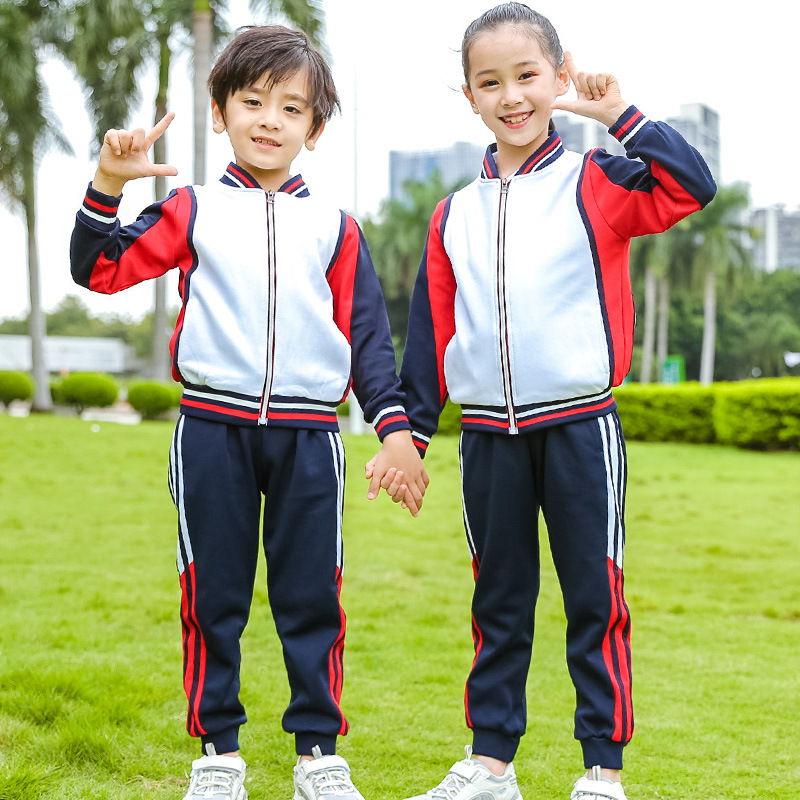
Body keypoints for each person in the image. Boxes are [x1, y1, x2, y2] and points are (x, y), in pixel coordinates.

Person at [69, 24, 428, 800]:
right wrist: (107, 183)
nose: (270, 119)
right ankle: (219, 755)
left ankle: (317, 755)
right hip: (212, 430)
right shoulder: (192, 210)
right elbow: (97, 270)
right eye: (253, 100)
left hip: (308, 437)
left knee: (312, 598)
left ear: (315, 128)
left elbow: (368, 343)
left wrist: (396, 434)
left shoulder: (336, 227)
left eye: (291, 108)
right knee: (213, 595)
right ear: (221, 109)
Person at [397, 4, 716, 800]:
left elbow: (692, 186)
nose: (511, 95)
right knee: (498, 601)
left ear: (558, 76)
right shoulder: (451, 216)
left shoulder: (597, 182)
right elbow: (431, 337)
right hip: (488, 438)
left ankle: (602, 770)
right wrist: (407, 435)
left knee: (592, 598)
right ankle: (491, 763)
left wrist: (618, 117)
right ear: (468, 93)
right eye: (490, 81)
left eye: (528, 76)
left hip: (579, 427)